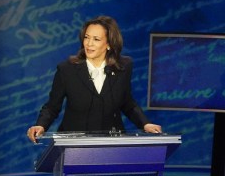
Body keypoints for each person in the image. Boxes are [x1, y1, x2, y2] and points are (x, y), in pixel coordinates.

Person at [27, 15, 162, 143]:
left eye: (96, 39)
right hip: (74, 145)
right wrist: (41, 125)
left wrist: (145, 123)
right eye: (87, 37)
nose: (89, 43)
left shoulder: (123, 67)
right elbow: (52, 107)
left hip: (111, 142)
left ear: (109, 44)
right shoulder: (67, 70)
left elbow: (127, 103)